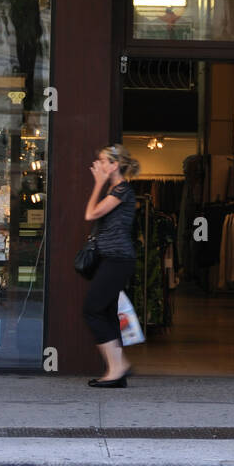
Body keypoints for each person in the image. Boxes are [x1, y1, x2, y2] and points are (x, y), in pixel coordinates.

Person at [82, 144, 140, 387]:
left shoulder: (122, 191)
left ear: (115, 165)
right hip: (113, 259)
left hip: (118, 259)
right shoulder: (116, 189)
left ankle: (118, 367)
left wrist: (97, 183)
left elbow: (91, 214)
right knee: (105, 311)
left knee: (92, 309)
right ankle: (118, 369)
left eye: (104, 161)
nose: (100, 165)